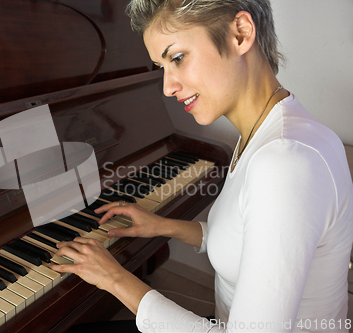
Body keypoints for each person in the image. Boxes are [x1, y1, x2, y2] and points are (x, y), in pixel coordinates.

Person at [50, 0, 353, 332]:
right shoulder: (269, 130)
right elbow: (241, 240)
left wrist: (114, 278)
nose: (167, 87)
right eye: (161, 67)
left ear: (240, 33)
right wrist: (161, 226)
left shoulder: (285, 163)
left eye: (177, 58)